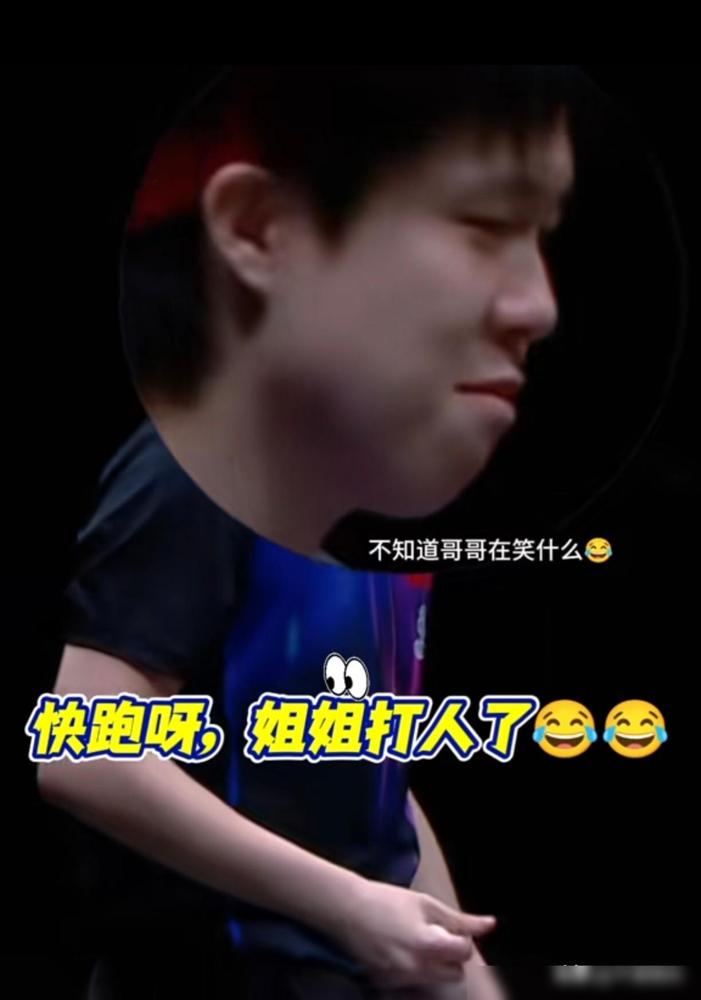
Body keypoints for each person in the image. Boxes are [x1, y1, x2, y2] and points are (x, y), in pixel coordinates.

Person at [37, 67, 578, 998]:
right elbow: (82, 749)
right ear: (259, 231)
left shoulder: (377, 512)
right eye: (482, 226)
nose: (539, 304)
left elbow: (373, 783)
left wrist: (465, 978)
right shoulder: (188, 474)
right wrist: (349, 907)